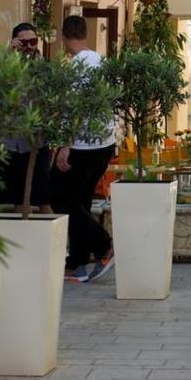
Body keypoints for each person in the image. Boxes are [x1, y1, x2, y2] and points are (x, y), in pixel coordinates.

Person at [50, 15, 116, 283]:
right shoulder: (102, 62)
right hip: (105, 143)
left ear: (64, 37)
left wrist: (65, 146)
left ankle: (104, 246)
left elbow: (74, 111)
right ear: (85, 34)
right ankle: (76, 262)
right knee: (81, 201)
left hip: (83, 144)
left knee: (59, 196)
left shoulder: (76, 67)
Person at [0, 22, 53, 213]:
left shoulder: (45, 67)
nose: (29, 46)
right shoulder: (7, 67)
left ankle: (57, 242)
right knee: (17, 198)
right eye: (24, 42)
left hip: (37, 143)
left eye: (33, 41)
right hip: (12, 144)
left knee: (44, 198)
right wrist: (9, 53)